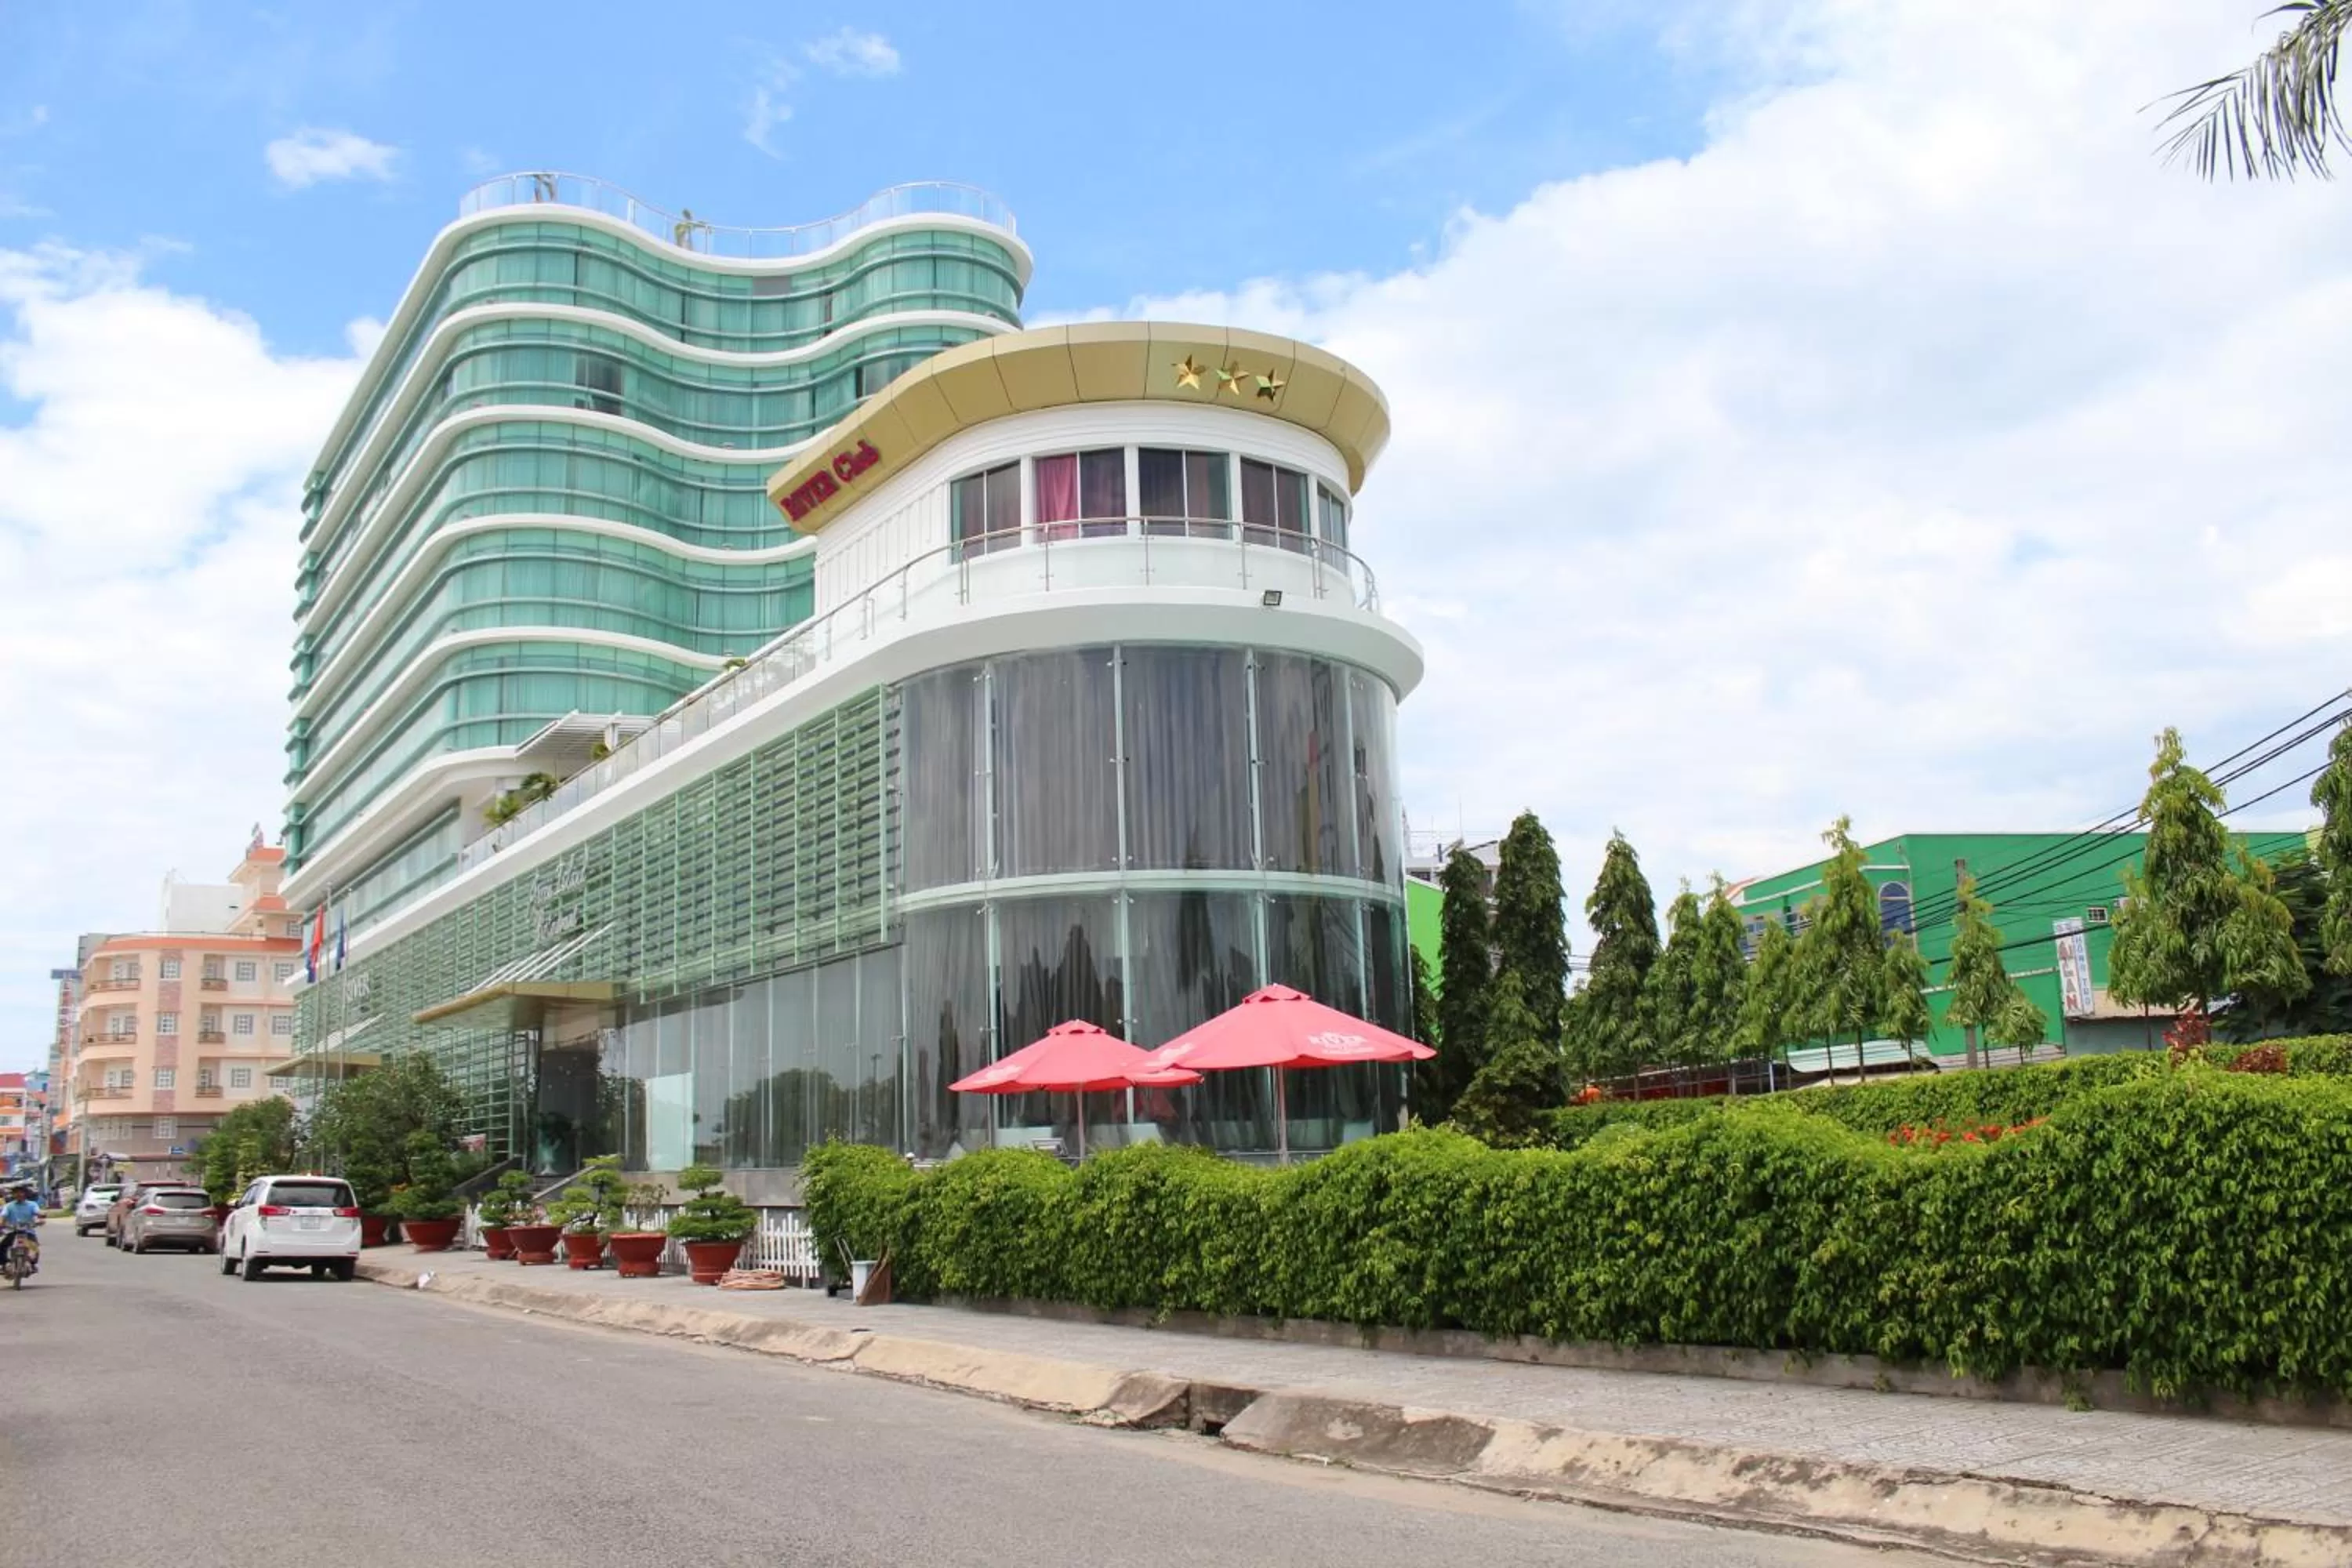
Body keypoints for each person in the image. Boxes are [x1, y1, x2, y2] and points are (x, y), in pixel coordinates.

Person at [1, 1185, 40, 1275]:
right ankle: (4, 1264)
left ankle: (32, 1263)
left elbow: (37, 1212)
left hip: (28, 1232)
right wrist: (2, 1224)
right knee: (2, 1247)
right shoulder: (9, 1206)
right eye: (16, 1192)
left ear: (25, 1194)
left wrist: (41, 1216)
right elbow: (3, 1216)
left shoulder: (32, 1205)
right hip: (13, 1232)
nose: (19, 1194)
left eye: (21, 1192)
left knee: (35, 1248)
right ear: (13, 1194)